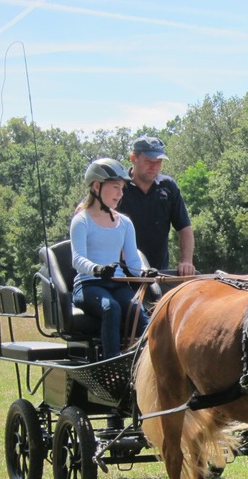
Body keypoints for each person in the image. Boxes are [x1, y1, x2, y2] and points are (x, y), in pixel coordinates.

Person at [70, 158, 153, 359]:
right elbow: (77, 259)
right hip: (88, 285)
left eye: (122, 188)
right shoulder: (81, 221)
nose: (120, 193)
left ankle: (147, 362)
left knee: (136, 309)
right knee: (111, 308)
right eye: (115, 187)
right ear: (96, 186)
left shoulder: (125, 223)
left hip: (116, 284)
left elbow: (133, 262)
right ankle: (111, 363)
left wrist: (145, 273)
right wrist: (97, 269)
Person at [118, 134, 196, 276]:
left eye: (158, 162)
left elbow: (185, 228)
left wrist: (186, 261)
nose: (154, 167)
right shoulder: (118, 186)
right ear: (133, 158)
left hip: (158, 274)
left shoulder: (168, 187)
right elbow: (91, 208)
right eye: (148, 161)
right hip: (120, 275)